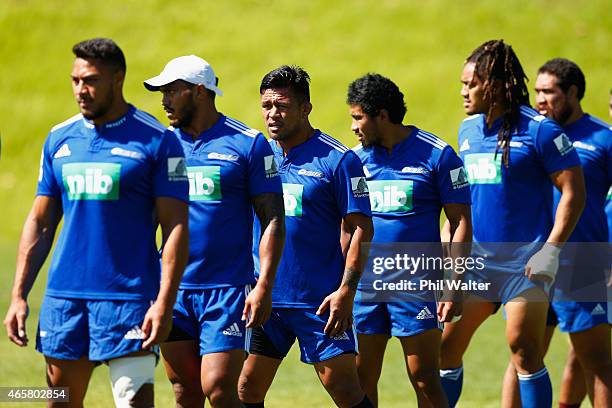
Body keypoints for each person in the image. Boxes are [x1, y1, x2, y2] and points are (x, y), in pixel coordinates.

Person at [3, 38, 189, 407]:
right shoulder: (59, 138)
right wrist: (18, 296)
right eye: (75, 80)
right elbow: (41, 222)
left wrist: (164, 303)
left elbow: (176, 227)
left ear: (117, 79)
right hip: (64, 301)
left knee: (134, 403)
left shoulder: (160, 141)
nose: (80, 90)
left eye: (89, 80)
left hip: (131, 301)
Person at [438, 40, 586, 408]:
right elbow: (462, 202)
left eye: (470, 84)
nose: (463, 92)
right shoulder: (467, 131)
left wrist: (552, 250)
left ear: (494, 85)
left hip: (525, 264)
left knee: (524, 351)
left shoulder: (541, 131)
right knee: (444, 350)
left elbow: (573, 192)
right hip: (476, 264)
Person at [143, 55, 285, 408]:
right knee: (183, 392)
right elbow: (144, 220)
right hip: (172, 289)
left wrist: (264, 284)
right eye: (162, 93)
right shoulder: (160, 145)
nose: (164, 101)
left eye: (172, 91)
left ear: (201, 92)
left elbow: (273, 218)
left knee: (220, 388)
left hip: (227, 290)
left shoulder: (248, 144)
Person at [237, 65, 374, 408]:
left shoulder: (338, 160)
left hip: (320, 305)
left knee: (344, 389)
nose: (272, 114)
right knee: (246, 389)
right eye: (267, 106)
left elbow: (361, 229)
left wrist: (346, 291)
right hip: (267, 302)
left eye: (281, 106)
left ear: (305, 108)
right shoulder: (259, 156)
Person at [346, 73, 471, 407]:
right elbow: (346, 225)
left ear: (382, 116)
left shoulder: (439, 155)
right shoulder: (355, 160)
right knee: (360, 378)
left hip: (415, 287)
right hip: (365, 288)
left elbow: (460, 222)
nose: (354, 127)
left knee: (425, 378)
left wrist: (454, 284)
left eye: (358, 118)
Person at [501, 57, 612, 408]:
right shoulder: (532, 135)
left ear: (573, 93)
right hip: (533, 262)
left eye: (548, 92)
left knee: (596, 362)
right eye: (536, 92)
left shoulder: (603, 139)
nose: (540, 100)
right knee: (523, 356)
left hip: (583, 262)